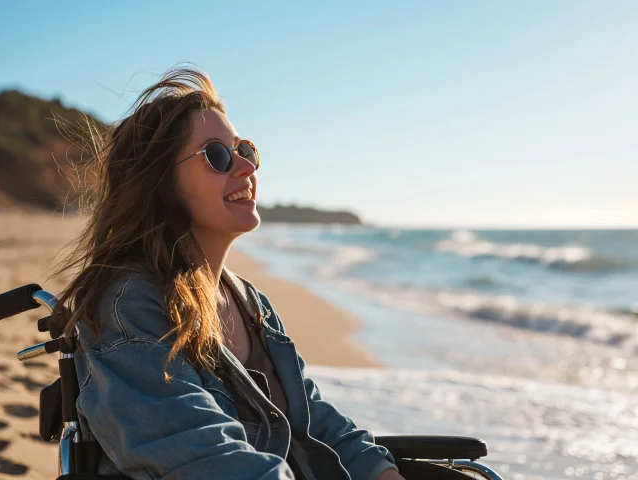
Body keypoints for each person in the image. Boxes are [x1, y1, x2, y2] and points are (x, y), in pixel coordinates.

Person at [50, 66, 404, 480]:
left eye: (245, 151)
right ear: (161, 184)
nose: (245, 169)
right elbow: (199, 454)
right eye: (217, 155)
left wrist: (380, 471)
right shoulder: (129, 307)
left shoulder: (249, 301)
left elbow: (314, 418)